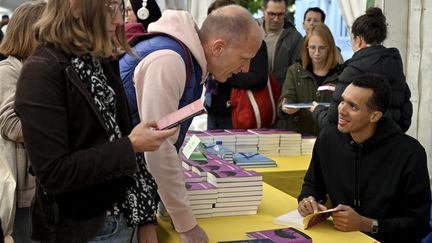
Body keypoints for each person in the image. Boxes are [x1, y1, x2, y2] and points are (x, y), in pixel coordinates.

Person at [14, 0, 178, 242]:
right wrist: (131, 145)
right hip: (86, 228)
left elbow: (119, 139)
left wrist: (144, 218)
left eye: (117, 8)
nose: (118, 20)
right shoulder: (42, 71)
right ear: (75, 6)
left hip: (123, 217)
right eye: (108, 8)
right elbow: (54, 173)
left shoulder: (98, 60)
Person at [120, 5, 261, 242]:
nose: (245, 69)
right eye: (244, 59)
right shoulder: (170, 61)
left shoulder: (187, 60)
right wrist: (186, 225)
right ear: (218, 47)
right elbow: (157, 150)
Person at [297, 73, 431, 242]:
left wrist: (366, 224)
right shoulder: (328, 138)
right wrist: (308, 200)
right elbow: (312, 185)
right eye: (342, 101)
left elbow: (418, 224)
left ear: (375, 116)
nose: (341, 110)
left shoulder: (410, 153)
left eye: (353, 107)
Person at [311, 7, 412, 133]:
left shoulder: (353, 70)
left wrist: (317, 110)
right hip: (391, 142)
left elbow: (333, 121)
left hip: (359, 145)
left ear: (359, 40)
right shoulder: (394, 66)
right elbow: (406, 113)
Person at [0, 2, 46, 242]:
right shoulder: (8, 71)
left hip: (45, 186)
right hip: (24, 190)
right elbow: (13, 126)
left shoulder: (41, 69)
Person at [204, 0, 268, 129]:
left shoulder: (251, 42)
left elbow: (258, 78)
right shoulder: (201, 54)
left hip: (235, 109)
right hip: (213, 107)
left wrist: (226, 74)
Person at [278, 23, 342, 135]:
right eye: (312, 47)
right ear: (306, 48)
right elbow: (287, 98)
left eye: (321, 48)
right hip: (300, 136)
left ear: (330, 48)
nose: (316, 53)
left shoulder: (341, 73)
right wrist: (285, 107)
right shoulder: (295, 71)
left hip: (329, 137)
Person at [258, 0, 303, 87]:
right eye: (271, 14)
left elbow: (297, 70)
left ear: (285, 12)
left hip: (279, 92)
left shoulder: (294, 38)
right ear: (263, 10)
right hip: (248, 92)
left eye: (280, 15)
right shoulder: (251, 29)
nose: (276, 19)